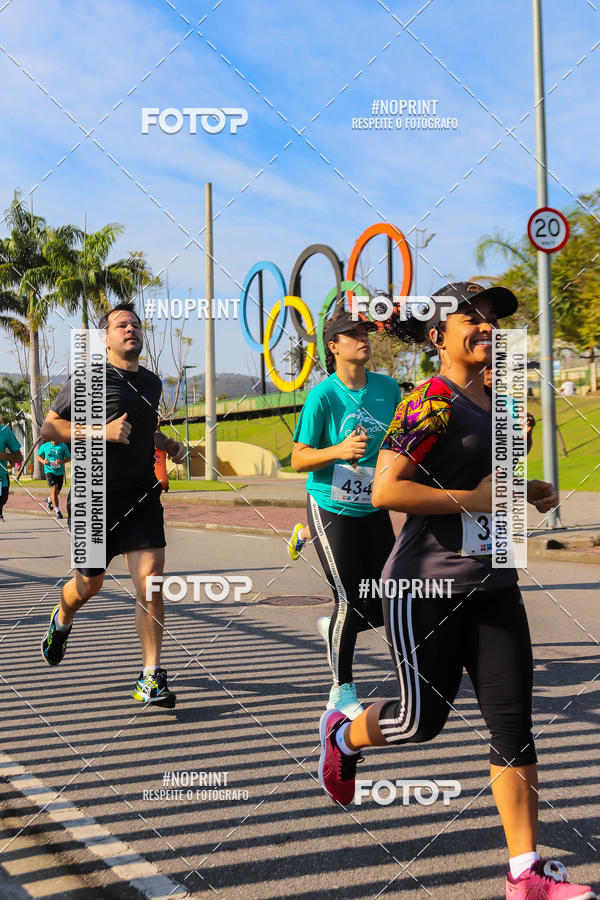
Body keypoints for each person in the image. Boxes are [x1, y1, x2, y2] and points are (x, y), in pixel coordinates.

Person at [318, 282, 596, 900]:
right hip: (425, 588)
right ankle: (342, 735)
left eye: (492, 317)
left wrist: (527, 490)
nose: (486, 325)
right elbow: (386, 489)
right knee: (420, 723)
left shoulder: (504, 404)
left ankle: (524, 873)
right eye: (470, 316)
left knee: (513, 726)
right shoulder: (430, 400)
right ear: (437, 336)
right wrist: (472, 499)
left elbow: (492, 483)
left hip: (495, 582)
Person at [39, 302, 186, 707]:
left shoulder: (152, 383)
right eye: (122, 325)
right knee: (89, 584)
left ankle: (150, 676)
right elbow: (49, 427)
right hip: (93, 498)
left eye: (136, 324)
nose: (131, 329)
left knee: (151, 582)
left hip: (140, 496)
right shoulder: (87, 377)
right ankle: (62, 619)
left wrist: (167, 444)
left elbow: (144, 430)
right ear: (105, 338)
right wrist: (100, 431)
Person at [291, 308, 402, 719]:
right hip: (330, 504)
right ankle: (341, 692)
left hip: (371, 504)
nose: (363, 338)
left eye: (365, 332)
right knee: (350, 599)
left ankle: (336, 628)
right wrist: (339, 450)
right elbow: (298, 458)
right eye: (352, 334)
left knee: (390, 596)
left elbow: (399, 442)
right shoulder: (323, 396)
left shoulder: (388, 388)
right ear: (333, 346)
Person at [484, 366, 536, 454]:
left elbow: (522, 451)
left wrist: (528, 430)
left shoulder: (511, 403)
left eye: (497, 366)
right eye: (487, 367)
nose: (494, 370)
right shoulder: (460, 402)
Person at [36, 439, 70, 518]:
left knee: (57, 492)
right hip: (49, 471)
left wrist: (61, 462)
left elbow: (69, 458)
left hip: (60, 472)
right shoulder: (45, 446)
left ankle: (49, 499)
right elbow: (38, 455)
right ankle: (57, 512)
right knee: (54, 489)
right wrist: (43, 461)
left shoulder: (63, 446)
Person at [0, 418, 23, 522]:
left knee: (2, 500)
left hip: (2, 479)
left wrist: (5, 456)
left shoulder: (4, 431)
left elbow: (19, 457)